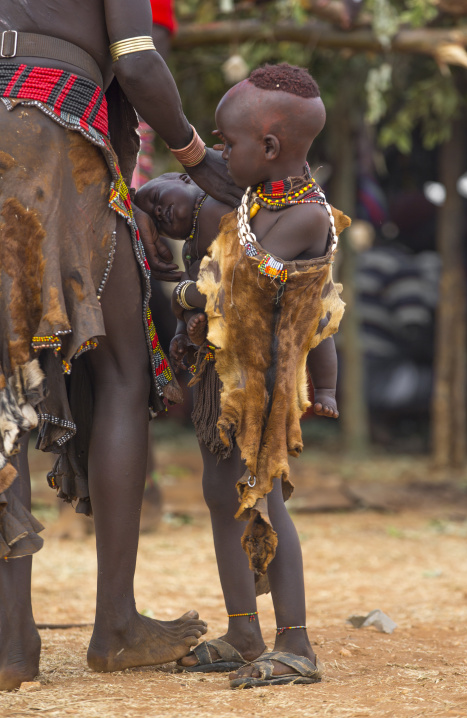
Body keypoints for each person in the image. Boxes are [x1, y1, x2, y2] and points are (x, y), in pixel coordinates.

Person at [0, 0, 241, 691]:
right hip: (45, 133)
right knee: (124, 373)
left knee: (5, 379)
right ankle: (114, 626)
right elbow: (136, 62)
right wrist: (196, 156)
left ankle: (11, 643)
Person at [155, 64, 350, 688]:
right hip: (224, 378)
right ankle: (244, 631)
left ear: (268, 147)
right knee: (222, 496)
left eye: (225, 143)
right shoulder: (257, 199)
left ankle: (296, 645)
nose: (216, 153)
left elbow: (230, 290)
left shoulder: (307, 216)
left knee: (262, 501)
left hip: (262, 387)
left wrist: (174, 291)